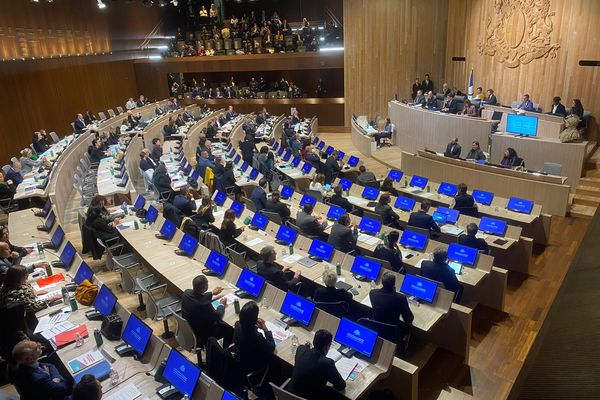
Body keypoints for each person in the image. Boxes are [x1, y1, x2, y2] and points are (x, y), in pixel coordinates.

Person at [287, 329, 346, 399]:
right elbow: (341, 386)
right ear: (327, 347)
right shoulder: (327, 363)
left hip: (289, 395)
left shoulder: (300, 349)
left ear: (314, 341)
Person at [182, 275, 233, 348]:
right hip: (203, 332)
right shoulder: (204, 305)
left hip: (190, 328)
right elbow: (218, 316)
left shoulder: (186, 293)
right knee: (229, 328)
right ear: (204, 287)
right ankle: (222, 351)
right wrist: (221, 305)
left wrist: (212, 293)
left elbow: (198, 297)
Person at [233, 301, 276, 377]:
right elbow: (272, 347)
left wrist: (254, 325)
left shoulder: (237, 325)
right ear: (255, 319)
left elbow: (246, 328)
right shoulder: (255, 336)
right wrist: (265, 329)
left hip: (239, 359)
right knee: (276, 359)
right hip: (252, 365)